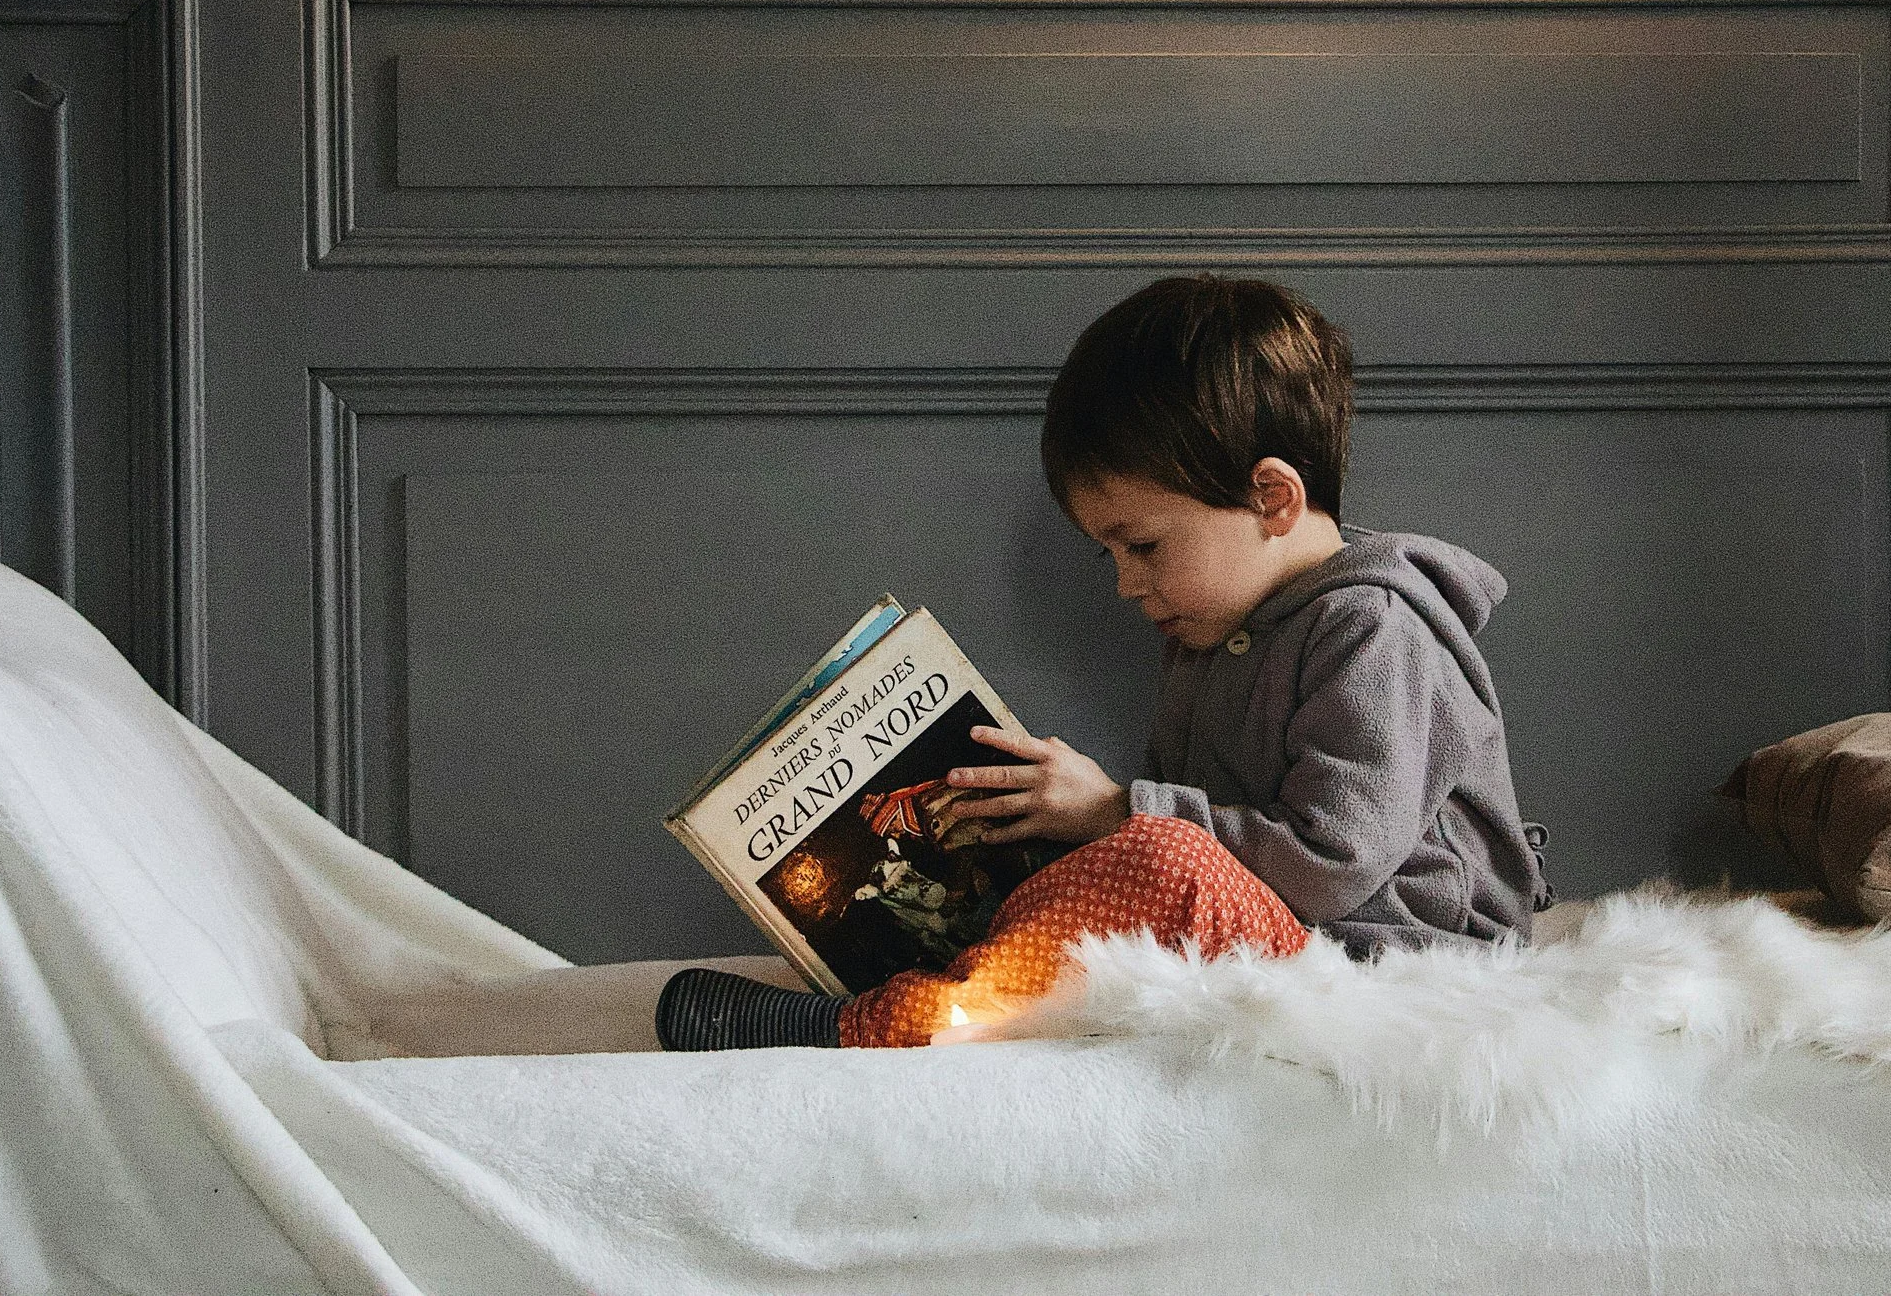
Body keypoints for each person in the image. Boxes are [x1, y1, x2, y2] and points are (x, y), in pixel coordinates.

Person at [657, 273, 1551, 1051]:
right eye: (1109, 556)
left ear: (1272, 498)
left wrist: (1119, 811)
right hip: (1285, 939)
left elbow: (1330, 860)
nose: (1128, 584)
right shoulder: (1208, 632)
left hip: (1389, 966)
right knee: (1066, 853)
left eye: (1145, 545)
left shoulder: (1375, 629)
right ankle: (919, 979)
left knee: (1160, 861)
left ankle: (867, 1027)